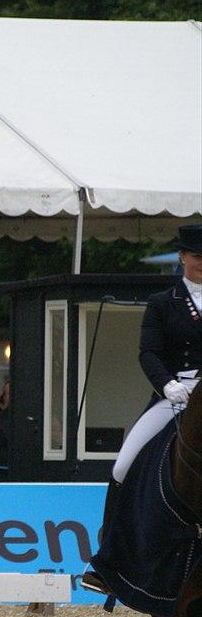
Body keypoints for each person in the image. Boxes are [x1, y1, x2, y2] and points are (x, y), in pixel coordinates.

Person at [82, 223, 202, 593]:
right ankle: (106, 561)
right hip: (175, 393)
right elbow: (148, 351)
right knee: (123, 464)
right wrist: (167, 384)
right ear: (183, 257)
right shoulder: (162, 302)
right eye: (198, 257)